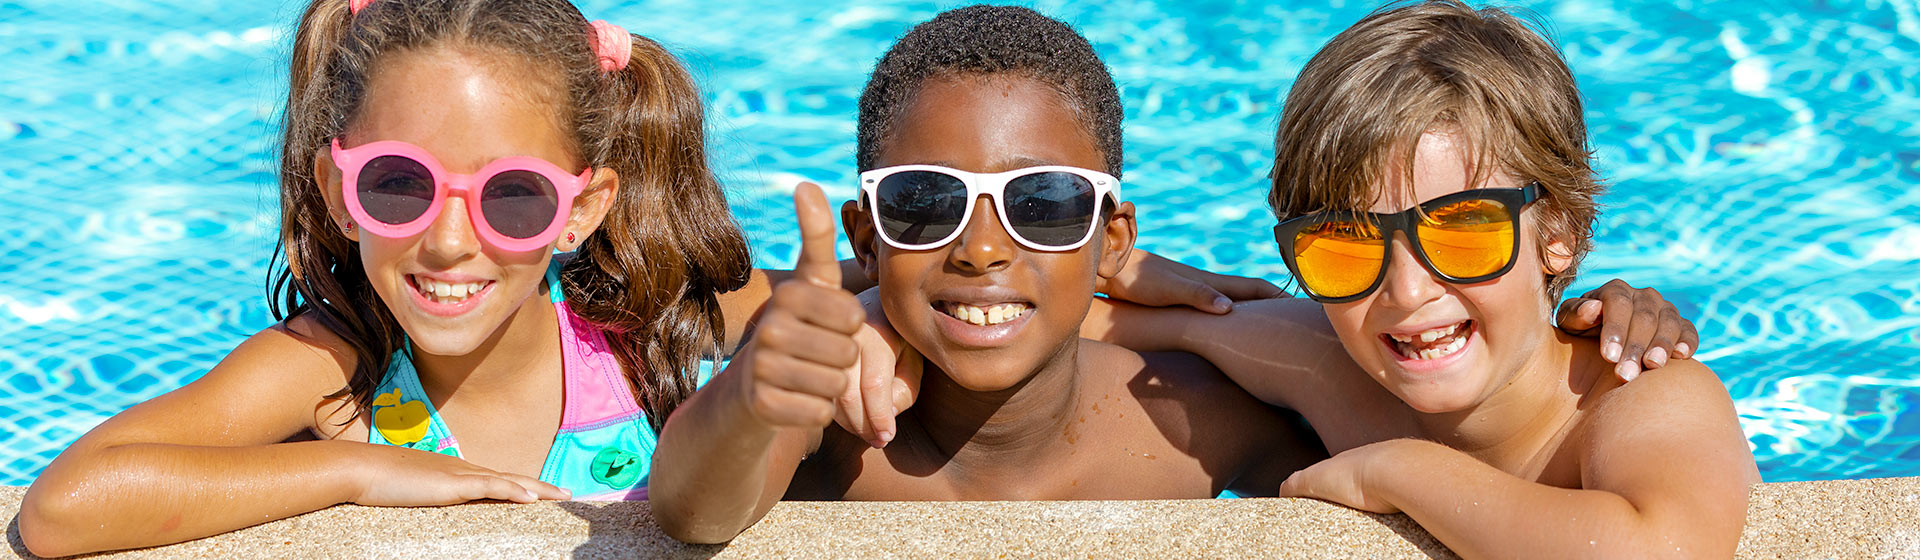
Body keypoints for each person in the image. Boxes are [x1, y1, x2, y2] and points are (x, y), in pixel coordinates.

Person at [16, 1, 1271, 555]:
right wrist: (359, 470)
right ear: (343, 179)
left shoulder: (642, 324)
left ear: (584, 206)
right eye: (399, 185)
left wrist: (1107, 281)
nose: (451, 242)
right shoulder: (335, 365)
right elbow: (66, 508)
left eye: (512, 195)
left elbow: (933, 289)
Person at [648, 5, 1697, 545]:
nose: (980, 246)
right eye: (926, 201)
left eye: (1044, 203)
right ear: (867, 230)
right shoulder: (834, 404)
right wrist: (828, 344)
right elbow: (690, 509)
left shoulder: (1204, 415)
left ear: (1112, 237)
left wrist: (1391, 469)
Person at [1095, 1, 1759, 556]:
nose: (1407, 293)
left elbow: (1663, 549)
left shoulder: (1641, 396)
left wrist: (1407, 471)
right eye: (1345, 242)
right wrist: (1119, 270)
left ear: (1556, 233)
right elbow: (1060, 329)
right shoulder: (1327, 362)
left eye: (1464, 230)